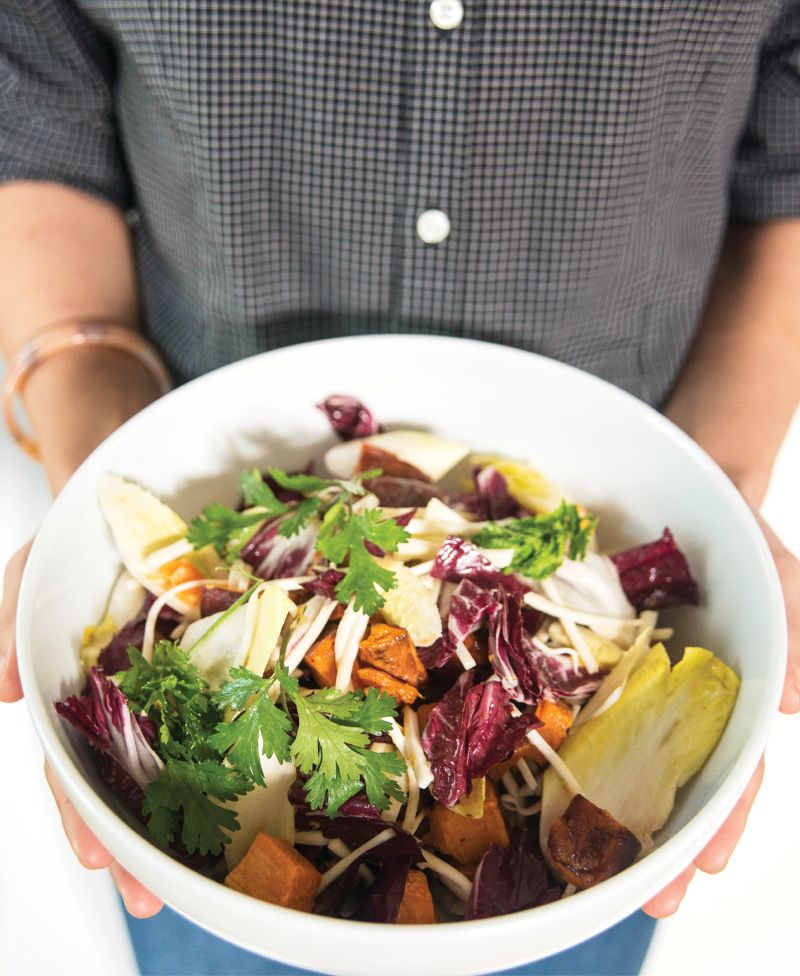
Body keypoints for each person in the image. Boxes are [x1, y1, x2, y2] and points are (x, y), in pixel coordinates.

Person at [0, 1, 798, 973]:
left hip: (645, 443)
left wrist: (722, 478)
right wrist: (90, 426)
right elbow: (34, 99)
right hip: (199, 431)